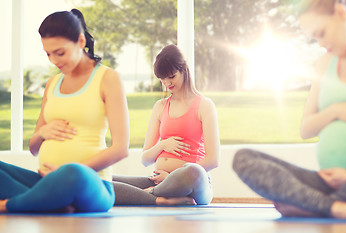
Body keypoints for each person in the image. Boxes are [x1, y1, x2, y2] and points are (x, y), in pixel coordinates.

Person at [233, 0, 346, 219]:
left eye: (322, 33)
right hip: (328, 182)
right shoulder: (325, 64)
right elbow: (306, 129)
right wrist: (336, 110)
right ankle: (337, 207)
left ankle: (317, 206)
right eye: (314, 38)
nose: (321, 43)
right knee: (244, 158)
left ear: (340, 12)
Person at [0, 9, 129, 213]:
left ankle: (9, 205)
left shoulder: (107, 78)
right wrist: (42, 133)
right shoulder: (52, 83)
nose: (54, 61)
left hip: (90, 183)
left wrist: (63, 172)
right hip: (45, 181)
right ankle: (55, 202)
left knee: (72, 173)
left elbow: (121, 149)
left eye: (60, 53)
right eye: (48, 54)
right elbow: (34, 148)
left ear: (80, 41)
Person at [113, 44, 220, 205]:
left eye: (171, 76)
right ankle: (162, 199)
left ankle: (147, 195)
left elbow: (213, 160)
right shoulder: (160, 107)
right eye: (162, 79)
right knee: (106, 180)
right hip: (159, 181)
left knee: (193, 171)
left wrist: (170, 177)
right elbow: (145, 159)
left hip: (193, 182)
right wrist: (163, 145)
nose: (166, 83)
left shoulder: (204, 105)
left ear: (183, 70)